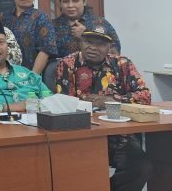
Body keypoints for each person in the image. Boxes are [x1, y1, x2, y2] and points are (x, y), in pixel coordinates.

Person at [55, 26, 151, 191]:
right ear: (81, 42)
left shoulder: (122, 64)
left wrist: (110, 100)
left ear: (109, 47)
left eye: (99, 44)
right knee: (77, 174)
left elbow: (145, 96)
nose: (92, 47)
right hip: (80, 134)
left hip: (119, 134)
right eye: (88, 42)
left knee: (141, 166)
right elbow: (63, 102)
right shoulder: (67, 64)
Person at [0, 0, 57, 73]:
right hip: (4, 72)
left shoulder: (41, 17)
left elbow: (46, 49)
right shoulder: (3, 17)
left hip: (31, 72)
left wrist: (33, 77)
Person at [53, 0, 121, 57]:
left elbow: (115, 54)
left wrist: (86, 35)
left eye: (75, 1)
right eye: (66, 1)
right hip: (61, 67)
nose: (70, 5)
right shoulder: (52, 26)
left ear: (84, 1)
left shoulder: (100, 23)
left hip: (96, 68)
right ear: (60, 4)